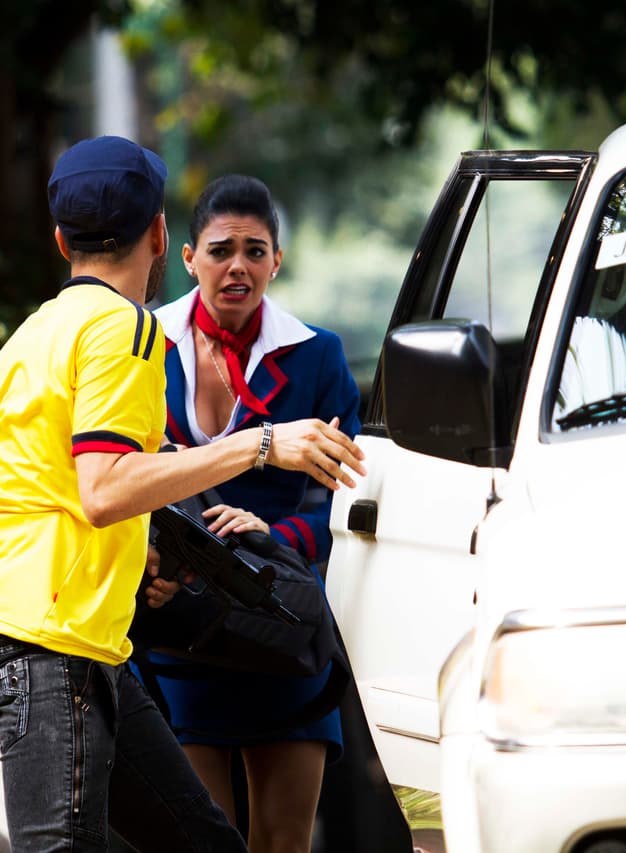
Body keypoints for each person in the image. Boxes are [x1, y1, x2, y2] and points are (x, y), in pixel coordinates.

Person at [0, 136, 365, 853]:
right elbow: (103, 490)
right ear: (167, 239)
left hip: (73, 647)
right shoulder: (125, 329)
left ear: (61, 237)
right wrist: (259, 443)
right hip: (50, 647)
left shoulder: (29, 338)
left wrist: (126, 551)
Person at [142, 174, 363, 853]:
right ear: (187, 258)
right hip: (180, 625)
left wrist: (278, 534)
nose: (237, 265)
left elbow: (349, 496)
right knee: (200, 840)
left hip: (280, 623)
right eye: (220, 249)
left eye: (255, 249)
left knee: (283, 842)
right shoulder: (141, 345)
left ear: (277, 261)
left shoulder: (317, 355)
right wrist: (149, 563)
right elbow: (111, 475)